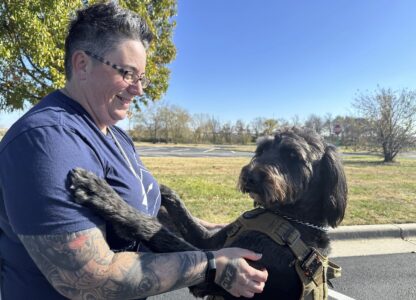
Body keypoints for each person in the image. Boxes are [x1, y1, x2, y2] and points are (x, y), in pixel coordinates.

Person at [0, 2, 268, 299]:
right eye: (127, 73)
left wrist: (213, 233)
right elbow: (90, 279)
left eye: (141, 78)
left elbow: (147, 209)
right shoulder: (48, 140)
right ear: (82, 64)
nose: (139, 90)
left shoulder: (115, 135)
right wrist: (211, 265)